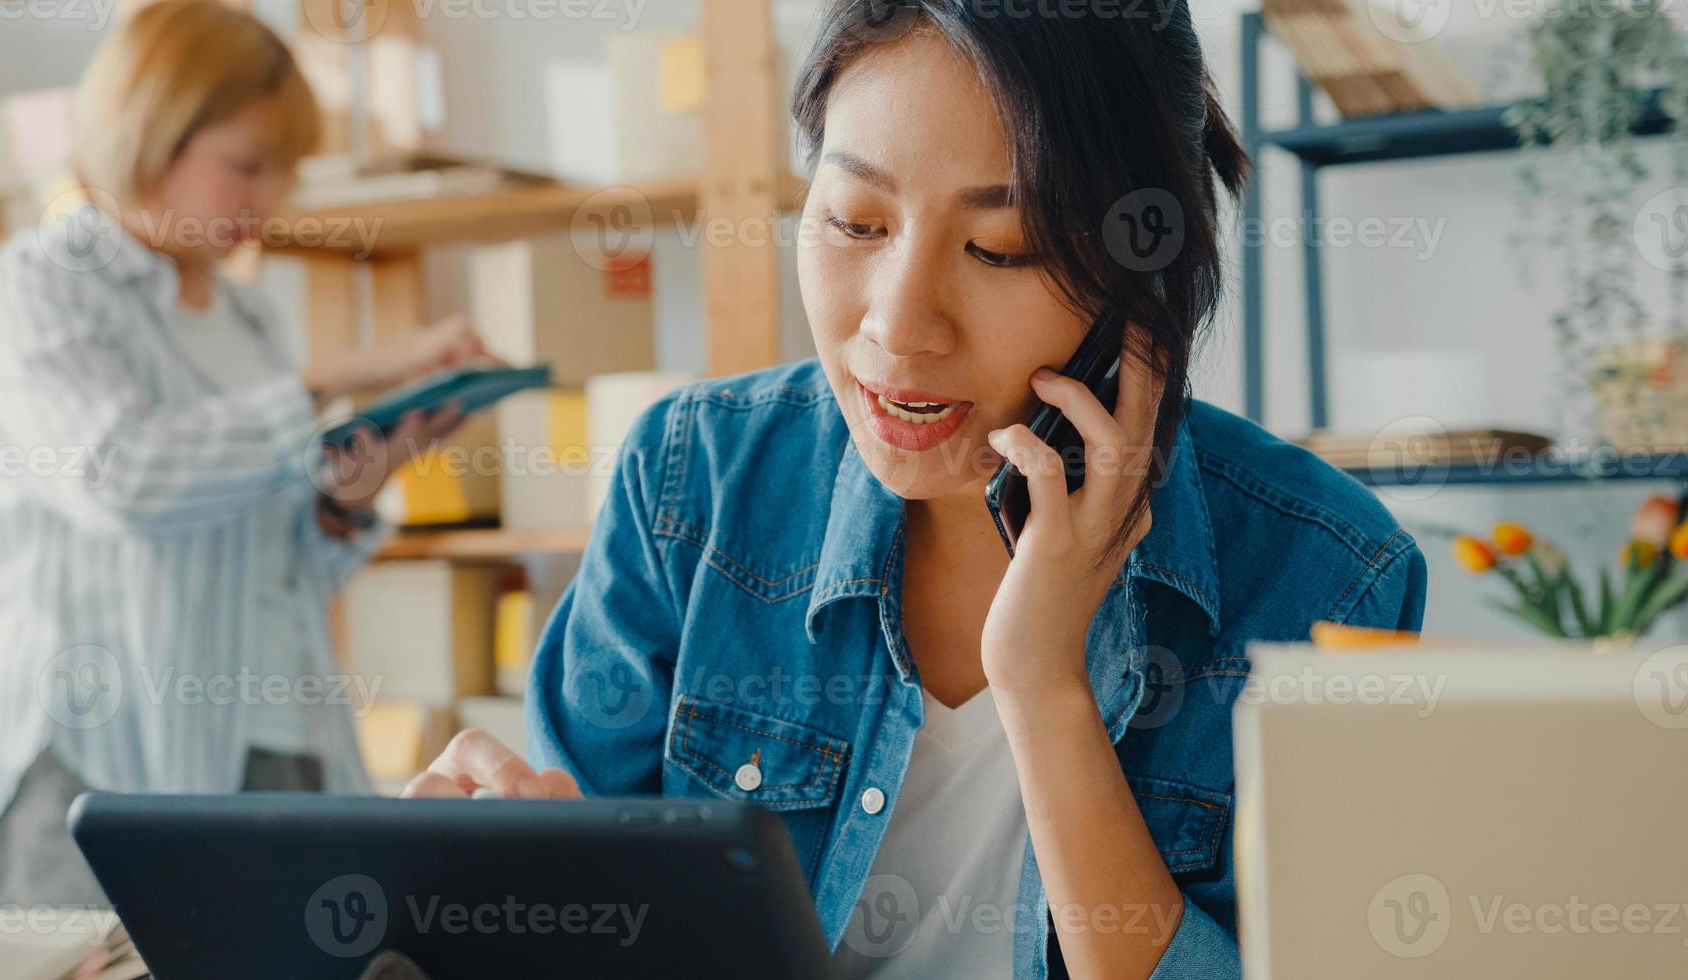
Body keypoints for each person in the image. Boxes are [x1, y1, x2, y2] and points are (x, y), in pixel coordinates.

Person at [403, 1, 1427, 977]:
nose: (897, 327)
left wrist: (1041, 683)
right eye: (852, 221)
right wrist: (488, 891)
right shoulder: (692, 484)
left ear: (1138, 276)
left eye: (999, 247)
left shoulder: (1328, 580)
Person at [0, 0, 489, 905]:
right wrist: (334, 377)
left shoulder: (250, 320)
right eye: (244, 166)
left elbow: (276, 565)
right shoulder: (38, 285)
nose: (268, 200)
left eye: (283, 171)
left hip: (268, 748)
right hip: (87, 761)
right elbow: (120, 479)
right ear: (149, 133)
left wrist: (357, 485)